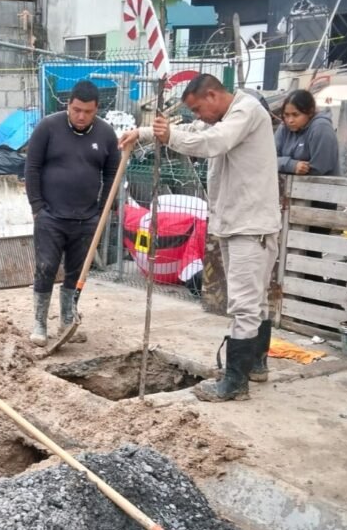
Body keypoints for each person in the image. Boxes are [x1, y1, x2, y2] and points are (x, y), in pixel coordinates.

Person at [119, 74, 281, 401]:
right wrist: (145, 133)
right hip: (237, 223)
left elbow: (211, 143)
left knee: (245, 304)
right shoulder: (224, 118)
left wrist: (168, 137)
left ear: (212, 95)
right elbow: (195, 132)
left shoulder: (246, 112)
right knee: (254, 301)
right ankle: (255, 365)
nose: (197, 116)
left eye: (197, 108)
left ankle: (235, 383)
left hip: (251, 228)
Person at [25, 80, 120, 347]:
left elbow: (112, 174)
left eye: (88, 112)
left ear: (96, 109)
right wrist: (37, 207)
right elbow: (31, 168)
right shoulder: (48, 128)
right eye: (76, 110)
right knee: (46, 268)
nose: (81, 116)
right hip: (50, 216)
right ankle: (40, 323)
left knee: (77, 272)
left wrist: (103, 211)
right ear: (68, 105)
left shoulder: (106, 134)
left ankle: (67, 320)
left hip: (87, 219)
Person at [275, 89, 340, 177]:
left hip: (319, 184)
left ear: (310, 112)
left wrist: (286, 166)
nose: (290, 120)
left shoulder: (321, 128)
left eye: (295, 115)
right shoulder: (284, 128)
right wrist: (292, 165)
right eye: (286, 115)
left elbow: (319, 168)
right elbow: (269, 159)